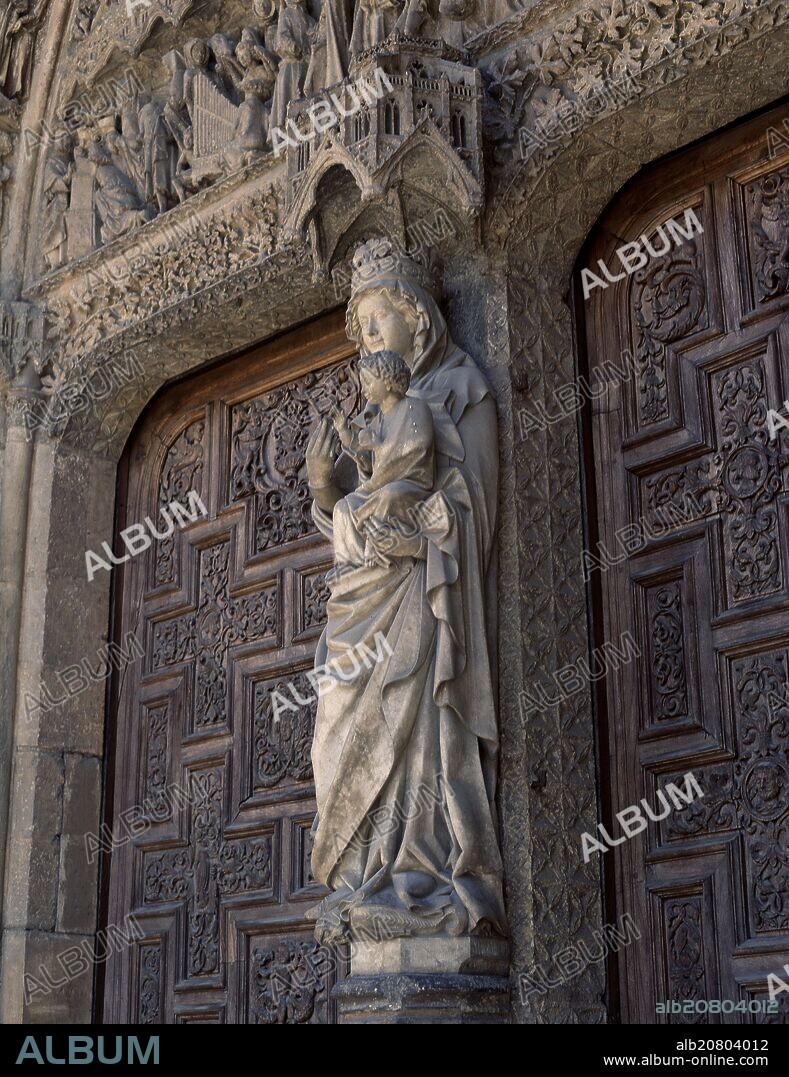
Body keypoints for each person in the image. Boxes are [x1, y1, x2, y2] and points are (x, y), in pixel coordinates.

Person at [304, 238, 506, 943]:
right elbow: (358, 510)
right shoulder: (383, 414)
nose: (365, 342)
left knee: (413, 719)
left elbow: (475, 505)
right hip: (364, 598)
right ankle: (363, 872)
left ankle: (416, 869)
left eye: (375, 323)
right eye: (359, 331)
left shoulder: (459, 389)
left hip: (425, 594)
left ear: (417, 318)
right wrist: (326, 488)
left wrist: (418, 534)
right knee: (341, 720)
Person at [331, 349, 435, 567]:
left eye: (368, 382)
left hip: (412, 485)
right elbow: (368, 461)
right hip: (377, 489)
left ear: (387, 381)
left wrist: (381, 448)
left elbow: (419, 445)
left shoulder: (414, 408)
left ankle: (376, 552)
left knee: (388, 495)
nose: (364, 389)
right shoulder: (376, 422)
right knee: (344, 507)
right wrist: (344, 433)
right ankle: (350, 567)